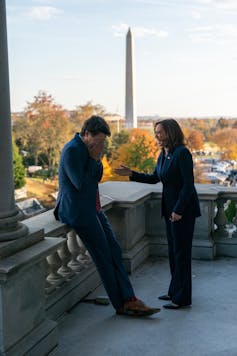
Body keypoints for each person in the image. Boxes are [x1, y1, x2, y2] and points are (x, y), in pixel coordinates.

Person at [54, 115, 160, 317]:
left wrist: (95, 160)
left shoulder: (88, 149)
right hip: (77, 211)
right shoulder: (72, 150)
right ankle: (121, 304)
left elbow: (97, 178)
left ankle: (129, 299)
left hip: (92, 207)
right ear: (86, 134)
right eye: (99, 141)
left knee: (114, 251)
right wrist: (94, 160)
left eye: (103, 141)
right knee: (104, 256)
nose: (101, 146)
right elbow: (81, 185)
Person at [114, 119, 201, 309]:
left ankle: (183, 298)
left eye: (159, 132)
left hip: (182, 212)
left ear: (170, 133)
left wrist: (178, 210)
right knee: (172, 252)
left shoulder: (182, 153)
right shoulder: (164, 154)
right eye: (156, 133)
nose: (156, 136)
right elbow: (155, 178)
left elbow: (188, 185)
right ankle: (174, 292)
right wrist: (132, 173)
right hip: (169, 211)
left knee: (181, 255)